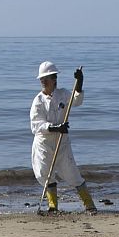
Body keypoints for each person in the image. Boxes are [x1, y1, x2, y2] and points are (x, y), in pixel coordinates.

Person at [30, 61, 95, 213]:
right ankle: (53, 206)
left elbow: (77, 100)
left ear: (54, 79)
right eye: (42, 79)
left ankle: (89, 205)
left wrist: (79, 82)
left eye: (47, 78)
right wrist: (54, 128)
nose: (44, 81)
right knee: (45, 174)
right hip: (44, 144)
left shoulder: (63, 94)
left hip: (62, 143)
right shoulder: (38, 101)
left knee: (72, 174)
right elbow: (36, 126)